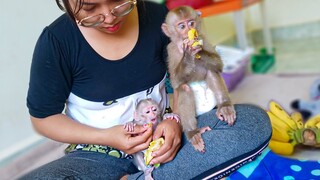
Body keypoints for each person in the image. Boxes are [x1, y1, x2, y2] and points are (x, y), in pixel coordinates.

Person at [22, 0, 272, 179]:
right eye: (89, 8)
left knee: (251, 121)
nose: (109, 17)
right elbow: (44, 118)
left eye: (118, 1)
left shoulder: (158, 19)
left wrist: (175, 120)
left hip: (165, 140)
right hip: (99, 152)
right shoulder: (56, 42)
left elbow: (179, 83)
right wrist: (106, 137)